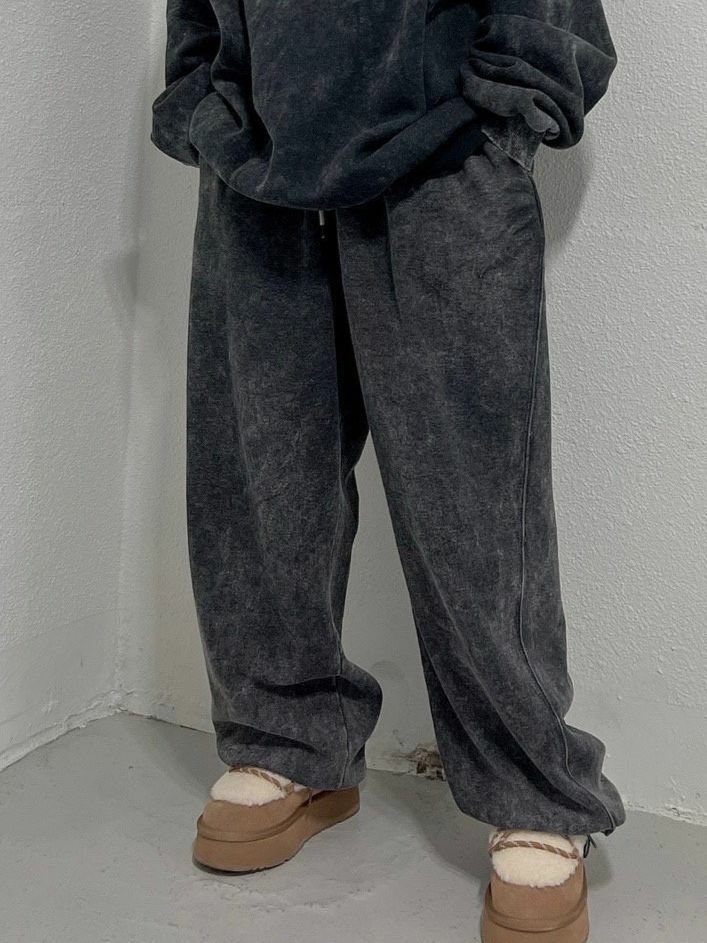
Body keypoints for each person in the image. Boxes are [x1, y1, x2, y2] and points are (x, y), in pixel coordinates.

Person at [151, 1, 625, 939]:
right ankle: (290, 738)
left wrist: (507, 101)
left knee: (473, 497)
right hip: (256, 154)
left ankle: (534, 789)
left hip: (443, 153)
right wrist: (204, 96)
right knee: (259, 474)